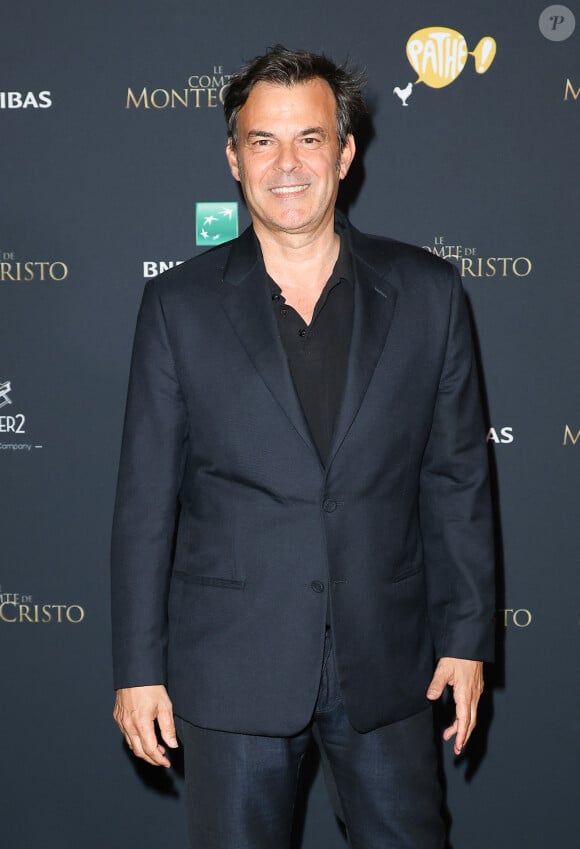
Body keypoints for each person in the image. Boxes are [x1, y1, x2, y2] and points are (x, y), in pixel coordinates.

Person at [111, 45, 495, 849]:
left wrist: (465, 637)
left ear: (345, 152)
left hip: (389, 661)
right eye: (262, 141)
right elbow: (146, 499)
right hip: (232, 662)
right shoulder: (177, 305)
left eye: (310, 139)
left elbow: (455, 478)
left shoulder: (428, 292)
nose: (287, 164)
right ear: (233, 157)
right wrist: (138, 666)